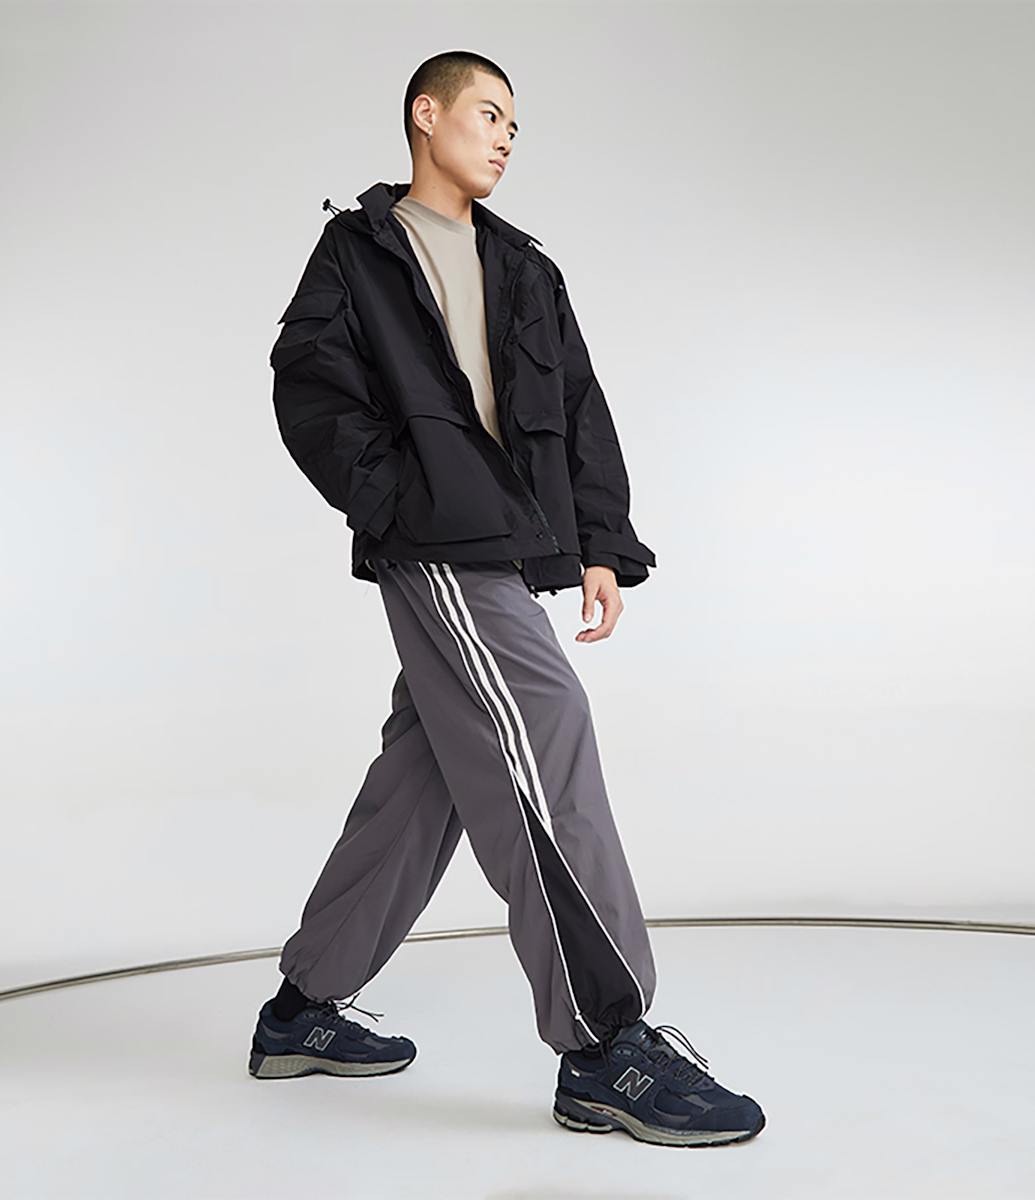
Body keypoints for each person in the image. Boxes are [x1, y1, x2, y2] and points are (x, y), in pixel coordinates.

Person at [249, 50, 765, 1148]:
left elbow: (578, 407)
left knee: (428, 775)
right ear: (424, 115)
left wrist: (602, 544)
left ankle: (300, 1009)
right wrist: (398, 501)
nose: (504, 138)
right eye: (488, 114)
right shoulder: (358, 252)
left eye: (515, 126)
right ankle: (605, 1045)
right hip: (435, 543)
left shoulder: (525, 266)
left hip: (509, 545)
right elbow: (310, 387)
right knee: (546, 726)